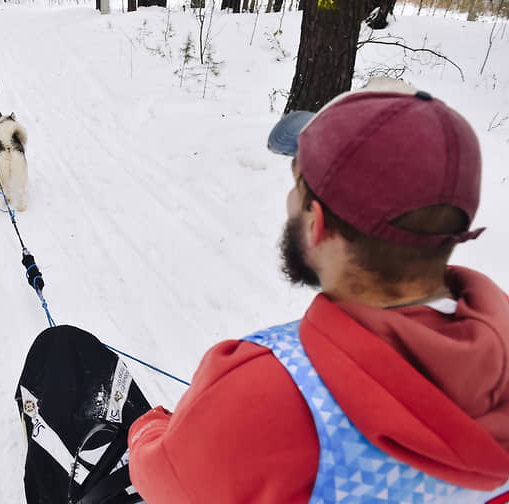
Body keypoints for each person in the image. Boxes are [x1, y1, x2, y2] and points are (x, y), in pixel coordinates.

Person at [126, 78, 509, 503]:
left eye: (298, 186)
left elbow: (163, 479)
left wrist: (152, 426)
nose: (290, 200)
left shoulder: (264, 391)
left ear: (318, 222)